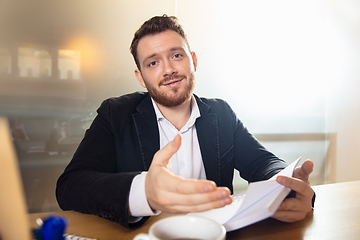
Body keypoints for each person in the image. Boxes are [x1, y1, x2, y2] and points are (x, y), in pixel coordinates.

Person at [56, 15, 315, 229]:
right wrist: (144, 190)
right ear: (140, 77)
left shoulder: (221, 114)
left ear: (193, 61)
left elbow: (264, 163)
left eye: (176, 56)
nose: (168, 69)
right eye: (153, 62)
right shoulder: (115, 114)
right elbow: (70, 186)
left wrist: (291, 186)